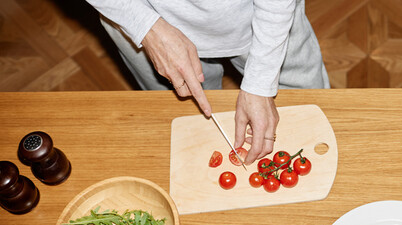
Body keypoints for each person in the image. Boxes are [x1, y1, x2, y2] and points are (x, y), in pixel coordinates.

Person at [85, 0, 330, 164]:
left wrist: (261, 82)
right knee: (187, 134)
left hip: (265, 15)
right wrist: (147, 28)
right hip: (137, 14)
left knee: (314, 114)